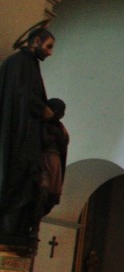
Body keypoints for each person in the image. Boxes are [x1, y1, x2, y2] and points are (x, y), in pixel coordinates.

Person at [0, 27, 56, 240]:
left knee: (31, 181)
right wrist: (42, 109)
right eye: (48, 46)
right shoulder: (18, 63)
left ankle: (16, 229)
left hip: (28, 133)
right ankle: (8, 229)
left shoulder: (30, 65)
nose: (50, 52)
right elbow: (20, 93)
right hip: (17, 135)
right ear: (35, 42)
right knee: (19, 177)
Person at [39, 98, 69, 216]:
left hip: (56, 161)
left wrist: (57, 135)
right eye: (61, 110)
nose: (62, 114)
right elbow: (44, 141)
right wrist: (56, 135)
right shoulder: (44, 124)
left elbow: (63, 144)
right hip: (44, 159)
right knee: (43, 191)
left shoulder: (59, 127)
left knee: (51, 195)